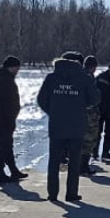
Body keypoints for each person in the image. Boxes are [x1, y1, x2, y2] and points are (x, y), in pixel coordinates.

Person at [36, 50, 99, 202]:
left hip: (57, 125)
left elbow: (41, 99)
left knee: (54, 161)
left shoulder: (52, 78)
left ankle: (52, 193)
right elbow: (95, 98)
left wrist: (54, 111)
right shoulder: (84, 78)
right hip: (77, 125)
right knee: (74, 161)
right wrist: (80, 106)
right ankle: (71, 193)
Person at [0, 56, 28, 184]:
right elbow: (5, 102)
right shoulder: (5, 80)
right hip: (2, 118)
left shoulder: (1, 78)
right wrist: (9, 117)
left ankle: (11, 170)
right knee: (3, 145)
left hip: (0, 117)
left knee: (5, 144)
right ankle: (1, 172)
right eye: (16, 67)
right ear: (11, 67)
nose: (18, 70)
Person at [81, 55, 103, 174]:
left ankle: (80, 164)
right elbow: (94, 96)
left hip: (81, 112)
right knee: (89, 139)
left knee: (82, 139)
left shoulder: (79, 76)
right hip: (89, 113)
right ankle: (83, 165)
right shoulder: (88, 78)